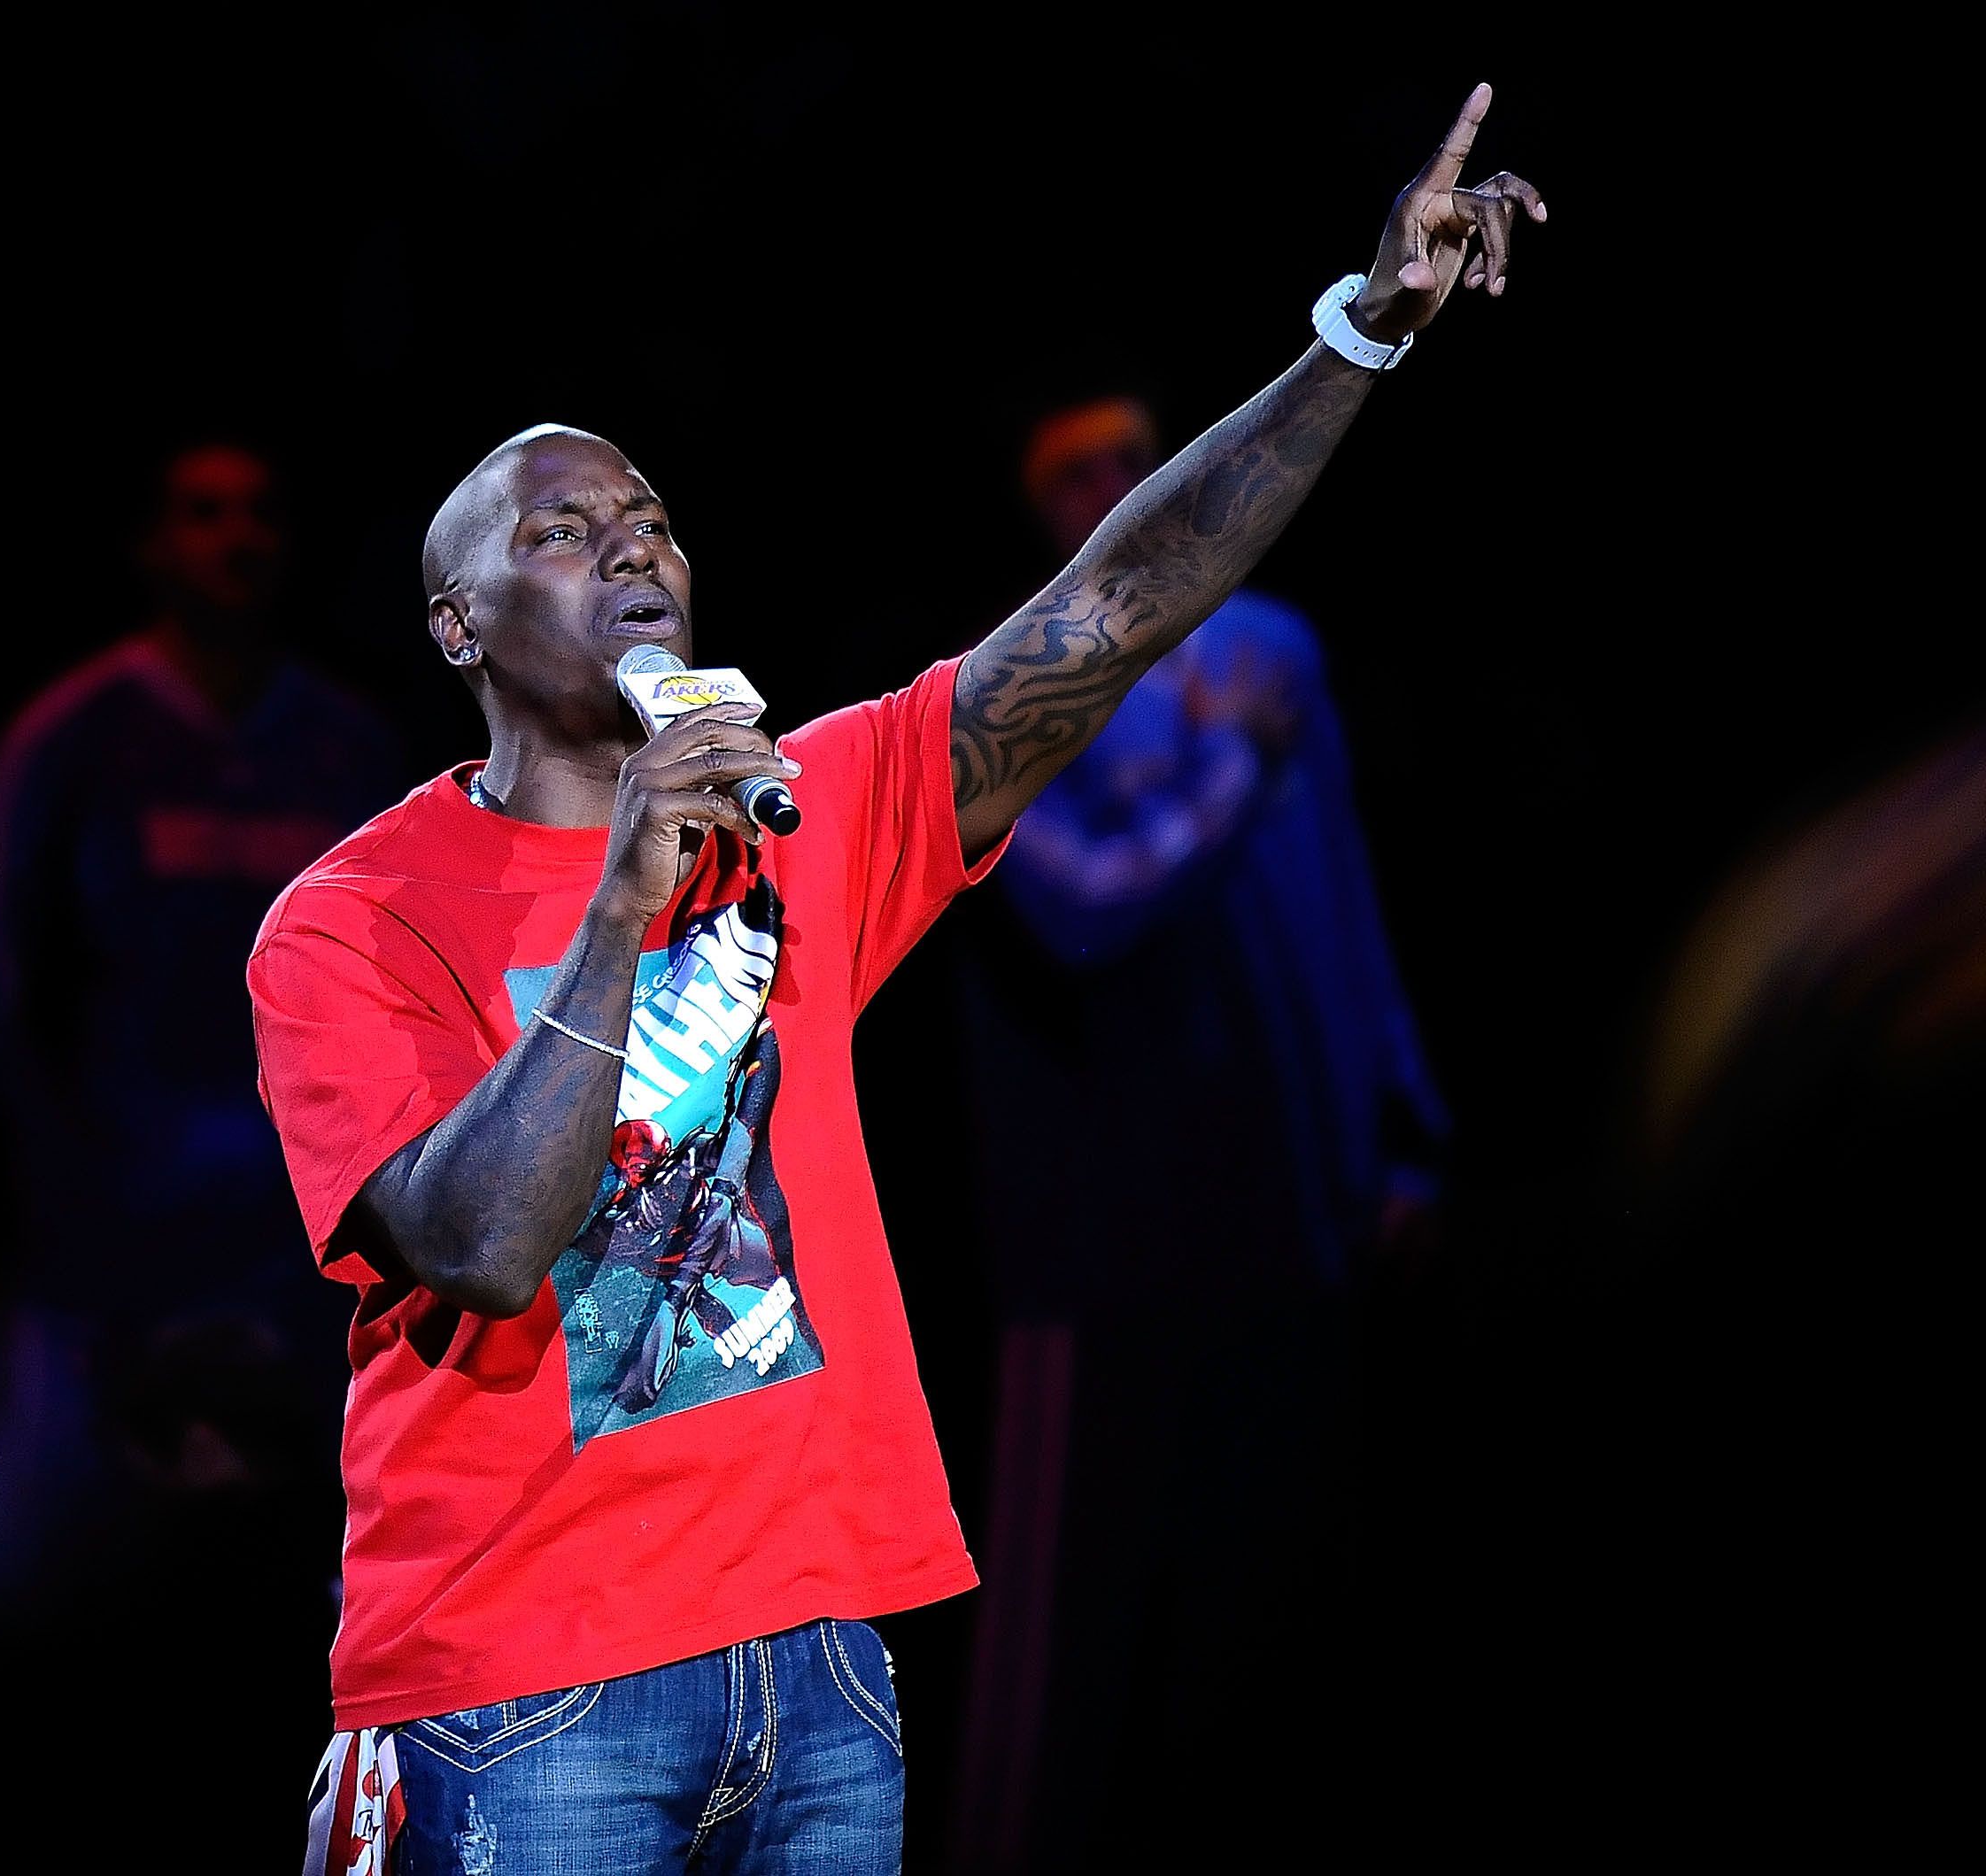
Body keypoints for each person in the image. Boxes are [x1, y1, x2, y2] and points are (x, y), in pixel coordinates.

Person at [251, 85, 1544, 1872]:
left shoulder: (807, 806)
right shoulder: (353, 916)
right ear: (456, 624)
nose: (632, 541)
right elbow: (473, 1243)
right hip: (522, 1689)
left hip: (824, 1668)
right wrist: (624, 903)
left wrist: (1358, 334)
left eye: (649, 517)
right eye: (561, 528)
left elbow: (1111, 609)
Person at [943, 396, 1454, 1868]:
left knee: (1266, 1600)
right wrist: (1223, 770)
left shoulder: (1275, 648)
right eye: (1074, 469)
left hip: (1288, 1221)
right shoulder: (1007, 685)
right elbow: (1083, 911)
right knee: (1064, 1632)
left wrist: (1404, 1130)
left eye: (1133, 451)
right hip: (1102, 1249)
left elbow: (1344, 907)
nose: (1119, 484)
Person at [0, 442, 406, 1566]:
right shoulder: (70, 742)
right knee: (68, 1565)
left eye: (258, 513)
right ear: (153, 544)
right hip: (107, 1256)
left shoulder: (350, 752)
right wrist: (68, 1189)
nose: (236, 539)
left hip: (299, 1263)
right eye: (203, 513)